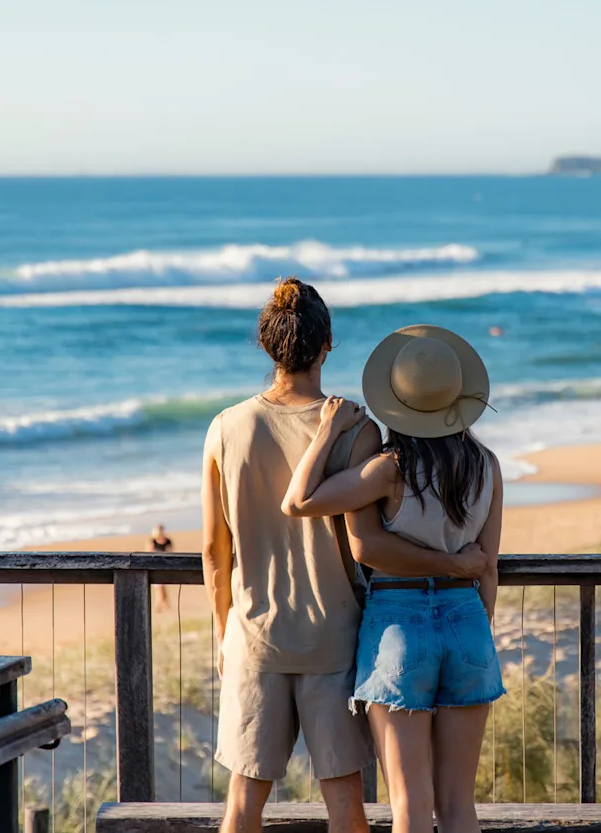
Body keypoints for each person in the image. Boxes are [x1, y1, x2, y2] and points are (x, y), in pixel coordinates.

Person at [200, 280, 487, 833]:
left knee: (241, 805)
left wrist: (223, 631)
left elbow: (216, 552)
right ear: (327, 343)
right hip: (334, 636)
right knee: (345, 806)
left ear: (265, 346)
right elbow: (365, 544)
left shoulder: (225, 428)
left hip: (254, 637)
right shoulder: (357, 430)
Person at [281, 325, 504, 833]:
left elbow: (298, 501)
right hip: (468, 621)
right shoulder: (486, 466)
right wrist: (476, 622)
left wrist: (326, 433)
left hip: (397, 626)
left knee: (408, 806)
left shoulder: (390, 468)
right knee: (457, 807)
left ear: (397, 403)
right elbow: (485, 563)